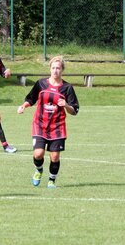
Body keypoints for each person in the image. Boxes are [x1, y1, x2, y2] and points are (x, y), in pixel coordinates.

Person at [17, 56, 79, 188]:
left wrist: (66, 105)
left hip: (57, 127)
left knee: (55, 157)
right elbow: (31, 98)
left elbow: (74, 111)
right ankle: (39, 170)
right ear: (50, 69)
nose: (55, 71)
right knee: (38, 153)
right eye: (53, 68)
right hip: (40, 124)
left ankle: (52, 180)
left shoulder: (67, 88)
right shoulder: (41, 84)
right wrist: (23, 106)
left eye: (58, 68)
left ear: (62, 70)